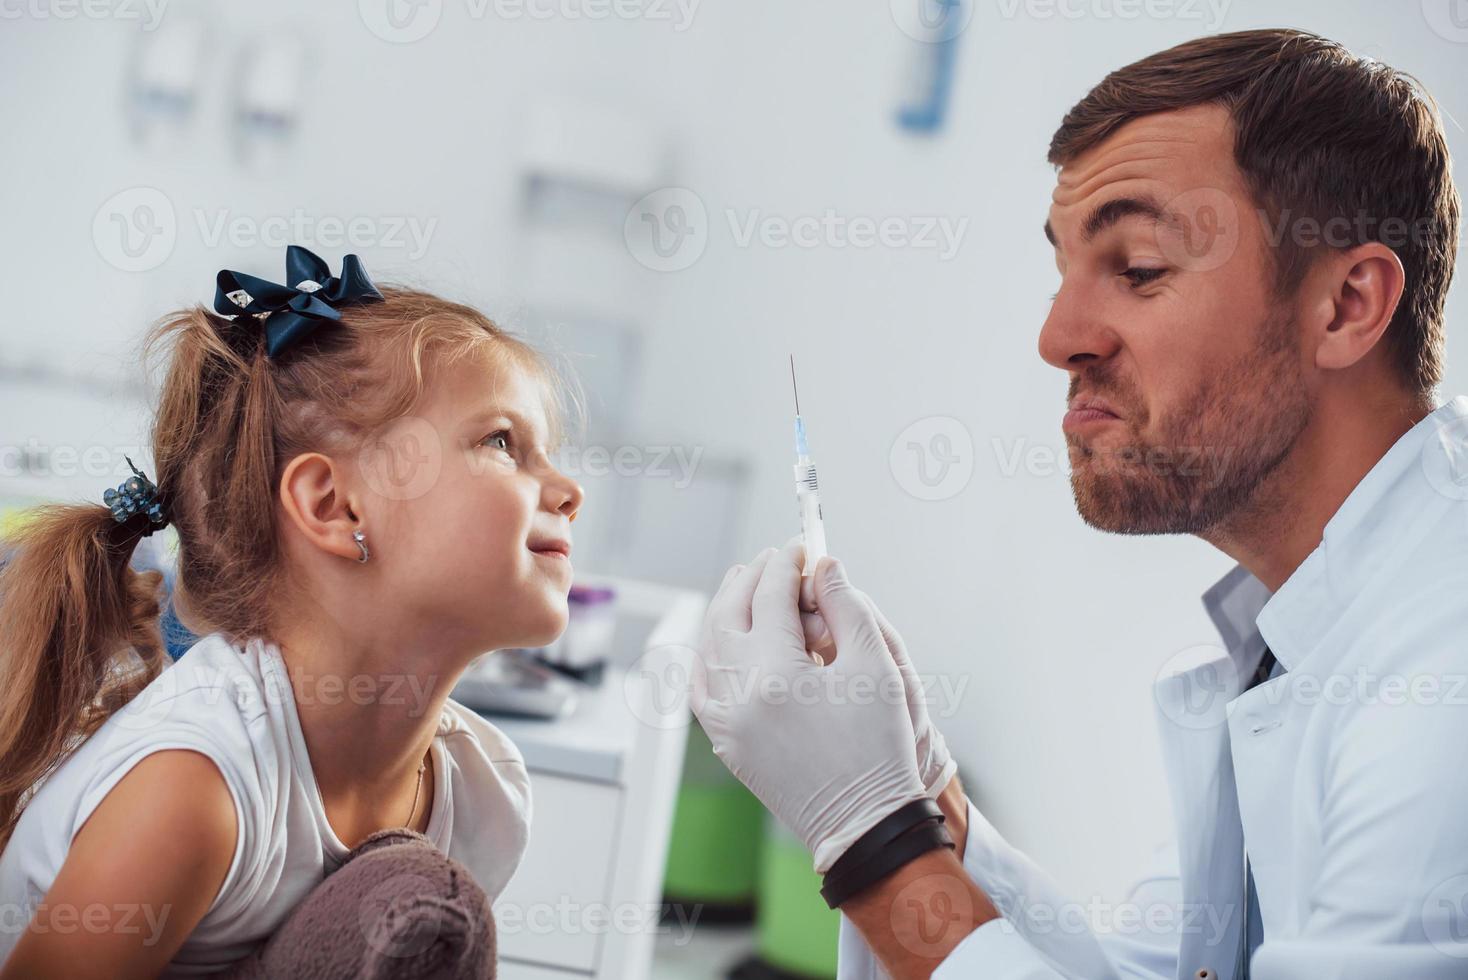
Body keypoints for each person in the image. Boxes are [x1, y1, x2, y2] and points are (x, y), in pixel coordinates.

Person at [693, 28, 1467, 979]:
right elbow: (1145, 971)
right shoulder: (1297, 632)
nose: (1057, 337)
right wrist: (929, 795)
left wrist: (872, 837)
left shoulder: (1443, 679)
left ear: (1347, 306)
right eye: (1063, 270)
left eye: (1138, 268)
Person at [0, 246, 584, 977]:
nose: (567, 488)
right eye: (502, 442)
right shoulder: (194, 786)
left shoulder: (477, 790)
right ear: (333, 506)